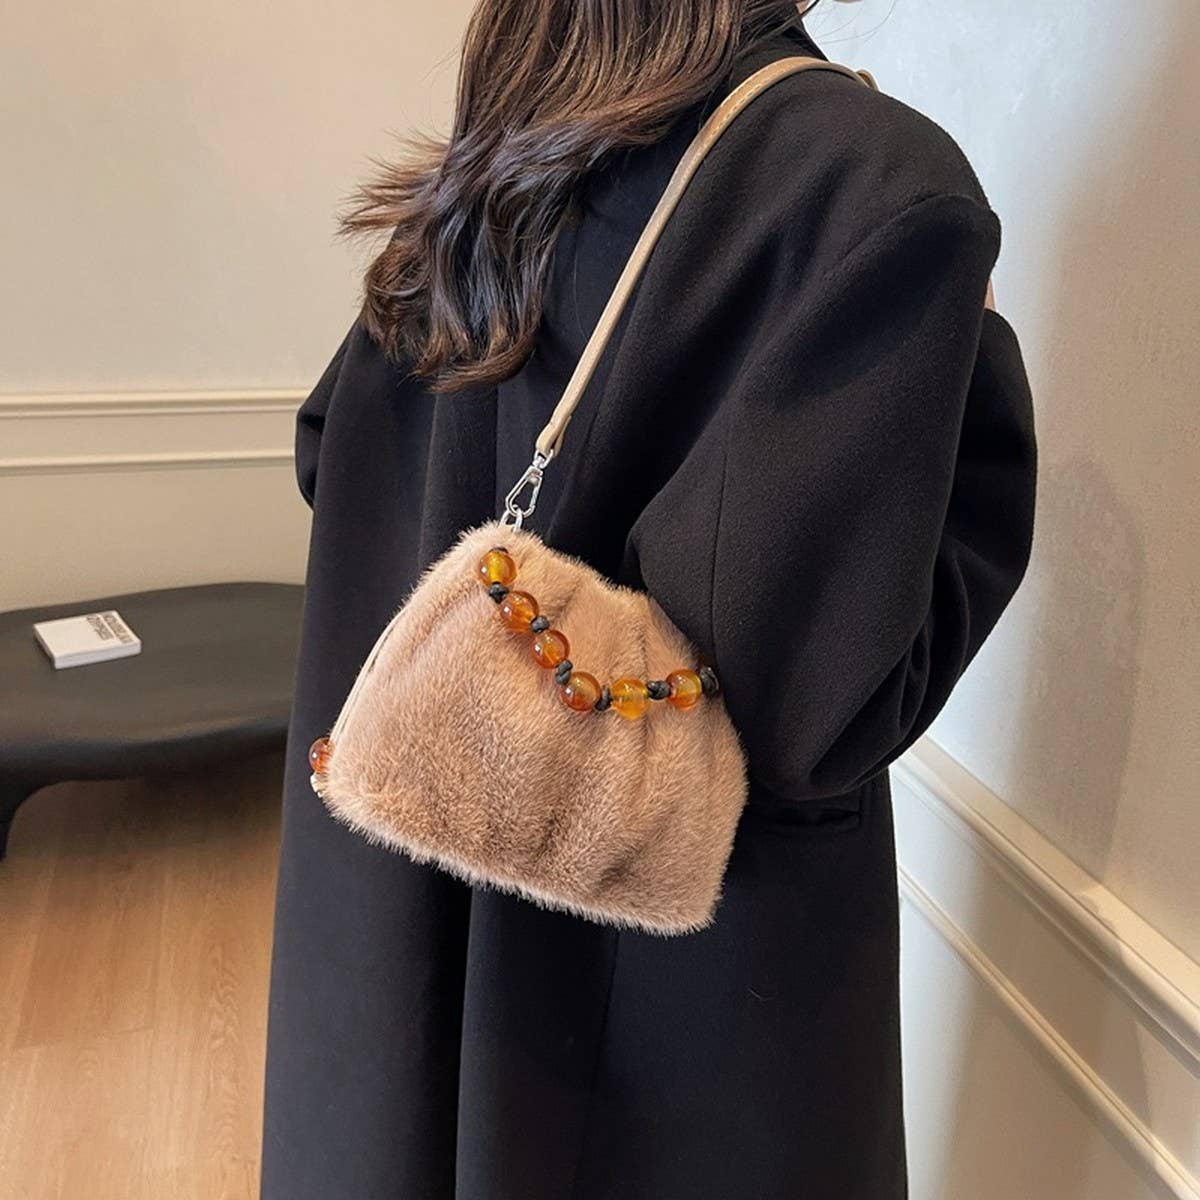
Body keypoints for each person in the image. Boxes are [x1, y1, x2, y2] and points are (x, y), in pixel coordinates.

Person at [261, 2, 1037, 1197]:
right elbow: (814, 704)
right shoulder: (869, 180)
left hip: (392, 927)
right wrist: (981, 364)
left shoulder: (517, 129)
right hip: (672, 1027)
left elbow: (333, 451)